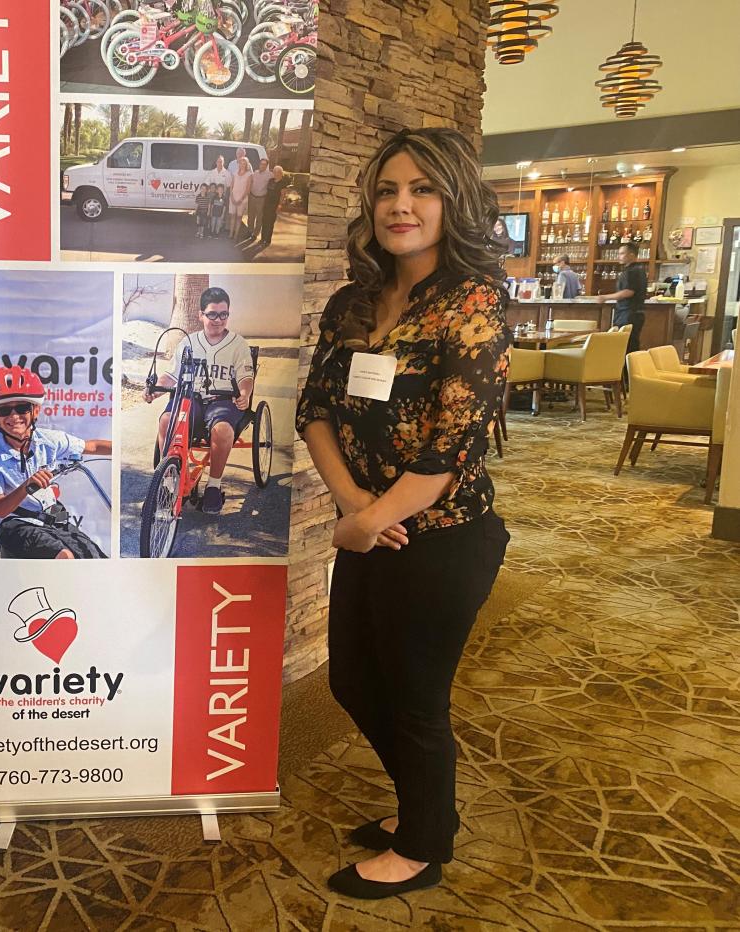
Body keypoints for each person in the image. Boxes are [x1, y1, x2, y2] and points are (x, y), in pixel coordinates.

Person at [296, 127, 511, 900]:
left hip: (445, 537)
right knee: (355, 681)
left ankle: (422, 842)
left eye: (422, 188)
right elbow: (315, 411)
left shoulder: (475, 302)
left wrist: (371, 517)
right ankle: (431, 810)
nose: (401, 204)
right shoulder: (354, 300)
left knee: (416, 697)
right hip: (372, 527)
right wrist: (355, 512)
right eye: (388, 189)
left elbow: (451, 449)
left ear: (452, 199)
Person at [0, 366, 112, 558]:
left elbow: (93, 446)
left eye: (22, 408)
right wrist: (27, 486)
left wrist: (120, 449)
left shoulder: (48, 441)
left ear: (35, 410)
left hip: (53, 517)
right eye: (4, 410)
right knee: (65, 557)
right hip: (16, 525)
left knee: (96, 558)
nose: (14, 416)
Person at [144, 286, 254, 515]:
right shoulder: (188, 343)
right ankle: (171, 479)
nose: (218, 320)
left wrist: (244, 394)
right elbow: (172, 375)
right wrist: (157, 390)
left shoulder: (238, 344)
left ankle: (213, 485)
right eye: (212, 314)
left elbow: (245, 377)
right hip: (190, 398)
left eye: (223, 314)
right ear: (201, 315)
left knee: (222, 430)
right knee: (166, 421)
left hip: (222, 400)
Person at [597, 242, 646, 354]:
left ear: (632, 255)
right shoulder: (640, 269)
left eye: (622, 253)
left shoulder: (631, 271)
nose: (619, 256)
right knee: (631, 345)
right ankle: (630, 369)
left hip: (628, 313)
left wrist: (605, 297)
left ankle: (624, 370)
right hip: (636, 313)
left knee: (624, 347)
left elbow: (628, 292)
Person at [258, 164, 293, 249]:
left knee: (270, 223)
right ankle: (262, 239)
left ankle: (267, 240)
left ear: (281, 173)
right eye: (274, 172)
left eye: (278, 172)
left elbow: (283, 195)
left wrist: (280, 205)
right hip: (266, 204)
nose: (276, 173)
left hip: (274, 206)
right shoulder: (270, 180)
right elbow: (267, 192)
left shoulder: (283, 183)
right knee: (264, 222)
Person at [245, 157, 273, 242]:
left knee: (259, 218)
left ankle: (255, 234)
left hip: (261, 199)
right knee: (250, 216)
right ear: (259, 164)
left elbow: (278, 178)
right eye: (261, 164)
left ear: (267, 166)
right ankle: (250, 231)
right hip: (252, 197)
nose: (263, 166)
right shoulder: (255, 173)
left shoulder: (270, 175)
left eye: (265, 164)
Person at [228, 156, 253, 240]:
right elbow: (231, 186)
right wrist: (231, 196)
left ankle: (236, 235)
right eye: (241, 163)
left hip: (242, 199)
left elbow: (248, 189)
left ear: (246, 164)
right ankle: (231, 233)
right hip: (233, 197)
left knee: (239, 217)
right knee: (232, 216)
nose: (242, 165)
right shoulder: (235, 172)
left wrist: (241, 199)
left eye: (244, 163)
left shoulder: (249, 174)